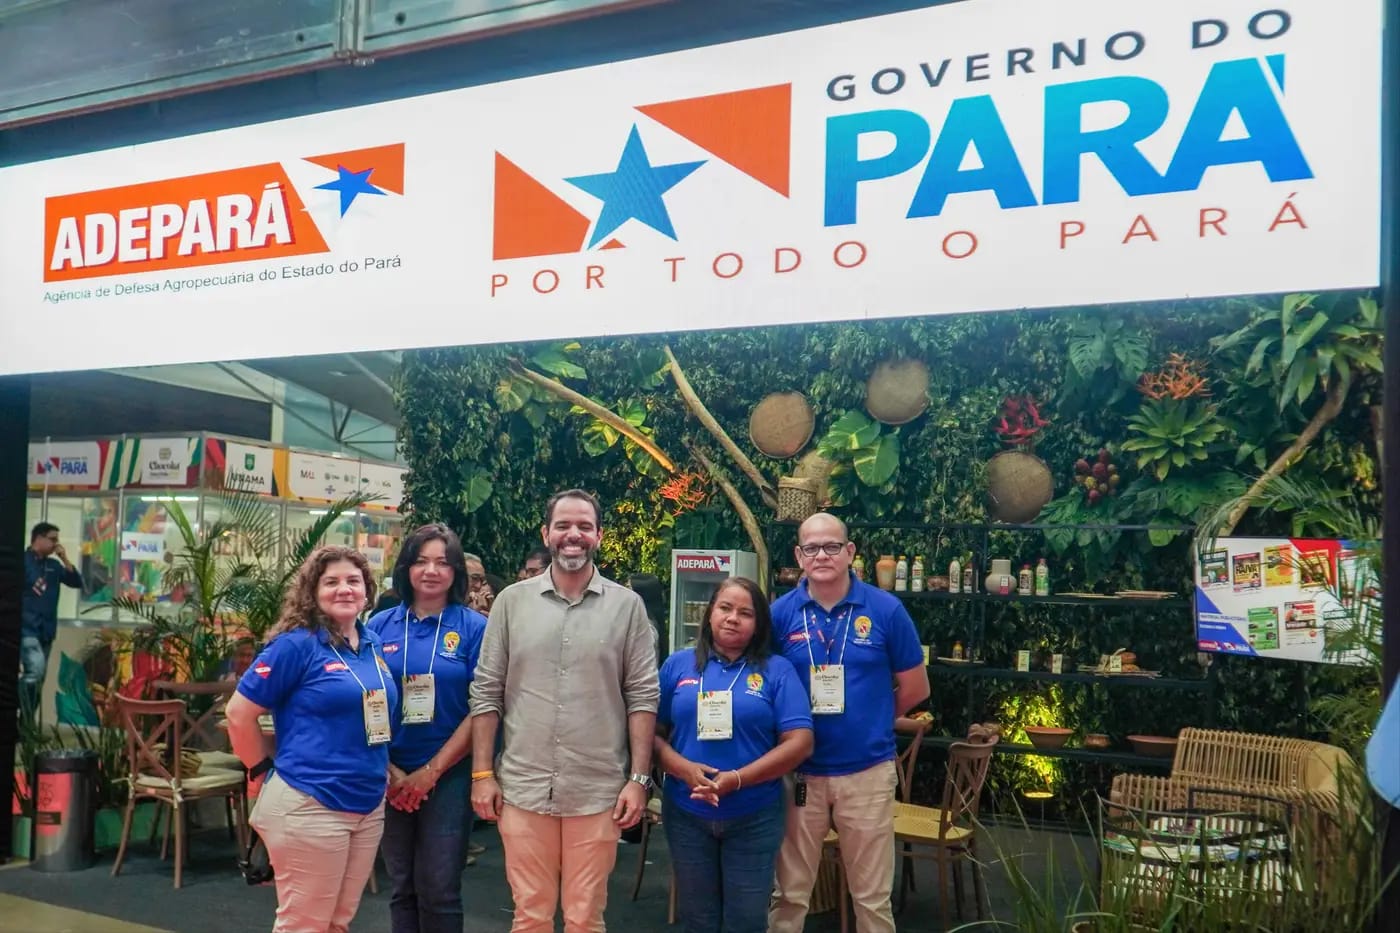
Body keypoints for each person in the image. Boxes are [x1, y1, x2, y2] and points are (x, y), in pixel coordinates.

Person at [469, 488, 660, 933]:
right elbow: (486, 694)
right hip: (524, 786)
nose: (573, 535)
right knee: (530, 916)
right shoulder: (511, 603)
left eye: (584, 526)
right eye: (563, 526)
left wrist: (639, 780)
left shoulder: (627, 607)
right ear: (547, 533)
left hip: (598, 791)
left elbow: (643, 697)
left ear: (598, 535)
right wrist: (482, 774)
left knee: (585, 919)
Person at [768, 513, 931, 933]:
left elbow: (915, 688)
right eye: (812, 548)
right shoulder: (779, 615)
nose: (822, 555)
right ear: (799, 556)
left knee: (872, 900)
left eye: (832, 546)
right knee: (788, 896)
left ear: (851, 553)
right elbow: (763, 688)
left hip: (868, 773)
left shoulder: (886, 610)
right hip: (800, 774)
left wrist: (876, 717)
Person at [225, 546, 397, 933]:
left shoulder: (370, 645)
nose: (344, 589)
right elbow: (239, 714)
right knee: (304, 925)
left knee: (337, 922)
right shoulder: (297, 644)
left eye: (353, 581)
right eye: (331, 582)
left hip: (367, 804)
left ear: (367, 591)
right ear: (312, 591)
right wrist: (261, 771)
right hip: (311, 802)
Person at [655, 578, 813, 933]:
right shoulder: (678, 666)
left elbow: (801, 741)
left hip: (754, 815)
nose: (732, 618)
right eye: (725, 608)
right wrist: (680, 768)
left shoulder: (777, 671)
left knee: (746, 921)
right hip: (686, 813)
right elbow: (652, 735)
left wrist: (738, 779)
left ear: (758, 625)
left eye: (746, 613)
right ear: (710, 612)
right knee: (698, 919)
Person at [368, 524, 488, 933]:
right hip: (390, 773)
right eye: (421, 561)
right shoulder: (379, 625)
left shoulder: (474, 627)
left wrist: (431, 772)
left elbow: (484, 708)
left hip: (449, 774)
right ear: (406, 568)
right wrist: (389, 769)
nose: (431, 570)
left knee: (439, 888)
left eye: (442, 561)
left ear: (456, 571)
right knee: (401, 887)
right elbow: (367, 700)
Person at [21, 522, 83, 712]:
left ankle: (26, 724)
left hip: (47, 631)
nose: (57, 544)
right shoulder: (22, 561)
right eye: (53, 539)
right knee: (34, 672)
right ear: (38, 539)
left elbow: (76, 582)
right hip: (27, 628)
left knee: (39, 680)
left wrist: (64, 558)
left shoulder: (54, 566)